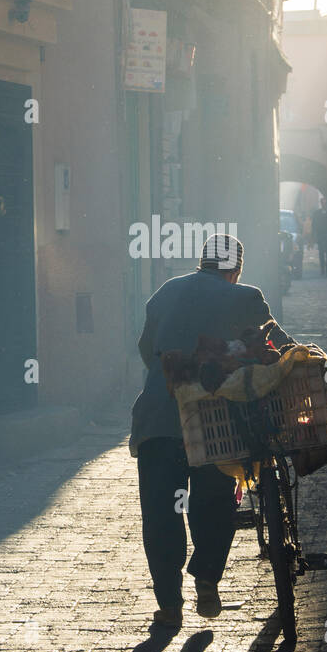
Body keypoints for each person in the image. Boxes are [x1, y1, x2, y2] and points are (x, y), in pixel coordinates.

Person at [130, 233, 292, 630]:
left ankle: (169, 605)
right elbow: (278, 348)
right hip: (216, 422)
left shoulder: (166, 292)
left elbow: (146, 349)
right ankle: (207, 578)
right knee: (215, 500)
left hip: (160, 418)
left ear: (201, 262)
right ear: (236, 270)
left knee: (161, 512)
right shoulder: (246, 297)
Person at [310, 195, 327, 277]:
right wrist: (313, 236)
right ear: (321, 204)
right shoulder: (316, 213)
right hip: (320, 235)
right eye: (323, 203)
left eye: (326, 203)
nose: (324, 205)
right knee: (321, 253)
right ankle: (322, 269)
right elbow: (313, 225)